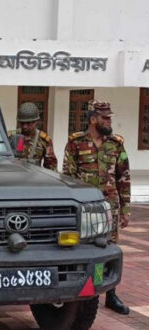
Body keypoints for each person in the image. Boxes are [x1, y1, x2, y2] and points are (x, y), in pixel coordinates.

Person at [62, 100, 131, 315]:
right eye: (105, 117)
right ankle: (82, 292)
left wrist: (126, 210)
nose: (109, 121)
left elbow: (124, 177)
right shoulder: (75, 142)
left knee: (110, 248)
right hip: (85, 210)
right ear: (93, 119)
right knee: (83, 249)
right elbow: (67, 177)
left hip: (110, 207)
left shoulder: (116, 144)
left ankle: (111, 294)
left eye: (110, 117)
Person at [8, 102, 57, 171]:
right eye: (22, 123)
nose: (24, 126)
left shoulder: (44, 140)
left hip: (34, 178)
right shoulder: (11, 137)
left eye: (28, 123)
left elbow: (51, 166)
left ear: (36, 121)